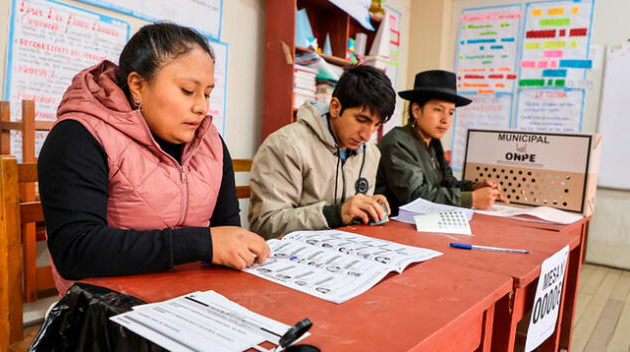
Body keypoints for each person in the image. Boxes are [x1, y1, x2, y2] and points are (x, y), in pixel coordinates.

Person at [38, 23, 270, 294]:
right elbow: (76, 251)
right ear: (138, 85)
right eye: (187, 90)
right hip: (105, 308)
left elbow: (227, 232)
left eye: (207, 93)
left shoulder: (211, 143)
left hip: (195, 297)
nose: (201, 107)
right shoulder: (79, 135)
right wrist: (200, 243)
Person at [249, 65, 396, 239]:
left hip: (344, 252)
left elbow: (353, 218)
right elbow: (265, 224)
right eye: (361, 119)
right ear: (335, 107)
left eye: (377, 125)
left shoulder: (371, 153)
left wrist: (368, 209)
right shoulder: (286, 145)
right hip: (292, 256)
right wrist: (335, 214)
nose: (367, 135)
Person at [375, 69, 507, 215]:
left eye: (451, 113)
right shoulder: (398, 143)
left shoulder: (432, 143)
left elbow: (447, 183)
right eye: (438, 110)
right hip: (395, 226)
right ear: (417, 110)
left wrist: (474, 188)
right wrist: (471, 199)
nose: (445, 119)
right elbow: (415, 197)